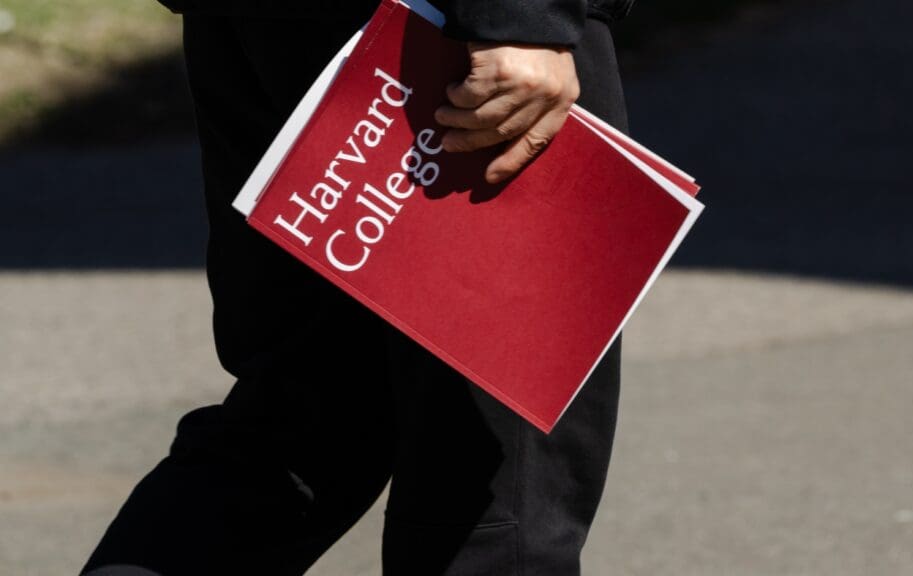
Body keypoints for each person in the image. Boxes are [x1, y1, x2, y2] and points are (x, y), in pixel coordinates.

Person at [81, 0, 634, 574]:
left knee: (302, 422)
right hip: (456, 32)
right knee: (492, 481)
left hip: (261, 25)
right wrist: (524, 16)